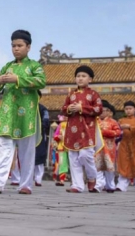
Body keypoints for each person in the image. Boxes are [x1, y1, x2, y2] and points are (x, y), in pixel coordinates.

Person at [0, 30, 46, 195]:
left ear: (28, 47)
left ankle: (25, 184)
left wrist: (17, 80)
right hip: (8, 113)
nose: (16, 49)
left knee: (26, 151)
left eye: (19, 46)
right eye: (13, 46)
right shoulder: (8, 66)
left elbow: (41, 81)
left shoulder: (34, 66)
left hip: (27, 115)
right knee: (4, 147)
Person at [62, 65, 103, 193]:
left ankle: (92, 177)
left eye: (83, 76)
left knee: (86, 155)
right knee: (73, 157)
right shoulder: (71, 94)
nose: (80, 79)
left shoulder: (93, 94)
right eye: (78, 76)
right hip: (72, 130)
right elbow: (63, 109)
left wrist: (82, 108)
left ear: (90, 79)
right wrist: (69, 109)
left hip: (87, 130)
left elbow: (99, 109)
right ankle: (77, 185)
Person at [116, 101, 135, 192]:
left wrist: (130, 126)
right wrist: (120, 128)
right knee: (123, 164)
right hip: (124, 145)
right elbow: (116, 129)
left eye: (130, 109)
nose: (128, 111)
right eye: (126, 109)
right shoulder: (121, 120)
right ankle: (121, 185)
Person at [95, 100, 121, 193]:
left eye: (104, 110)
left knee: (109, 167)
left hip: (109, 147)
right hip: (97, 147)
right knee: (97, 166)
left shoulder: (113, 122)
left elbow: (118, 132)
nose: (102, 112)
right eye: (100, 110)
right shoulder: (95, 121)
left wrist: (105, 132)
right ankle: (98, 185)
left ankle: (110, 185)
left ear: (108, 111)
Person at [34, 97, 50, 187]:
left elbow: (46, 120)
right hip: (28, 136)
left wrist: (42, 126)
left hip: (39, 134)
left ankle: (38, 178)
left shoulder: (42, 108)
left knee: (40, 156)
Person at [52, 115, 69, 186]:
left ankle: (76, 181)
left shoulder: (72, 124)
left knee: (74, 164)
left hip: (72, 147)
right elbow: (55, 135)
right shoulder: (60, 125)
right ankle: (61, 179)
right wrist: (58, 137)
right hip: (61, 147)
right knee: (62, 163)